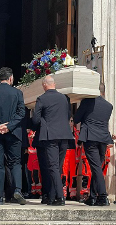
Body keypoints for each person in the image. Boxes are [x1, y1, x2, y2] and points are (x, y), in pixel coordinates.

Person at [0, 67, 26, 205]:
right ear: (11, 78)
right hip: (13, 133)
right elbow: (21, 113)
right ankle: (17, 190)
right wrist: (9, 126)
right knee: (15, 163)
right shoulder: (18, 93)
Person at [32, 75, 73, 206]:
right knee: (58, 167)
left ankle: (60, 197)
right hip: (65, 135)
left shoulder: (41, 98)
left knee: (53, 167)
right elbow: (68, 115)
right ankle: (52, 196)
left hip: (51, 136)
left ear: (44, 85)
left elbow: (36, 120)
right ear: (54, 84)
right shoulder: (64, 98)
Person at [74, 83, 113, 206]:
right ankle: (92, 196)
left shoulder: (87, 102)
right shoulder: (109, 106)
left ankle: (102, 196)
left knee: (96, 168)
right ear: (103, 92)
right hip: (103, 138)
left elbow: (76, 119)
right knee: (97, 168)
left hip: (90, 137)